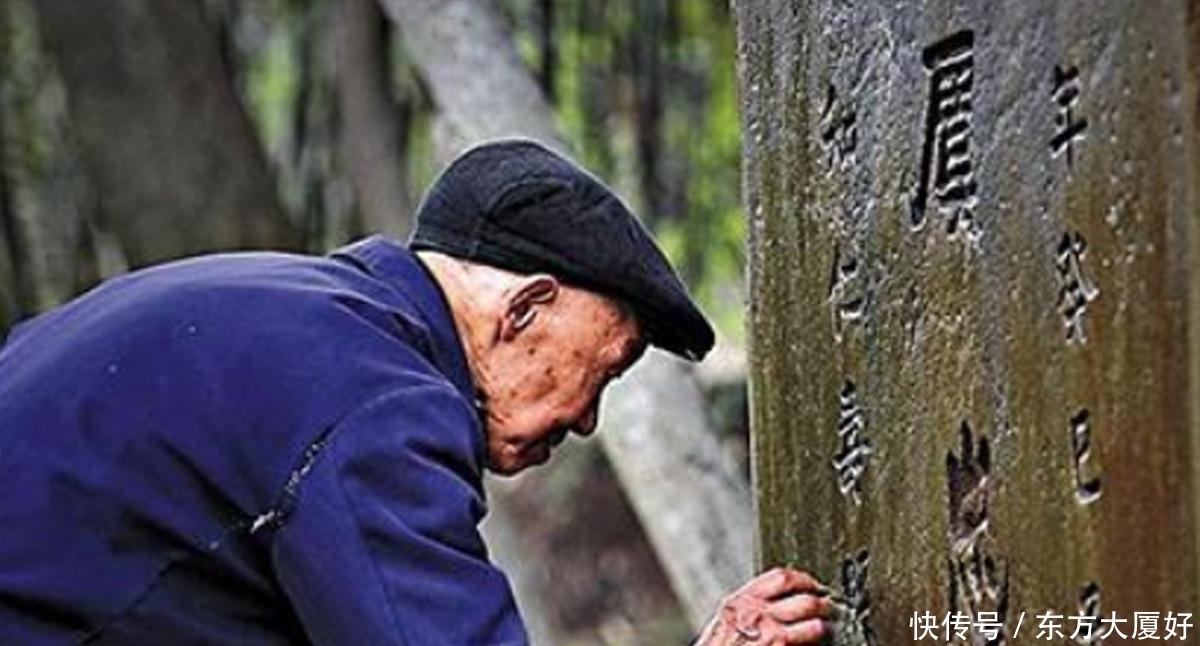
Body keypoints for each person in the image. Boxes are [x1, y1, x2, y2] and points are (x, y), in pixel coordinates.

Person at [0, 140, 831, 645]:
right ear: (525, 307)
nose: (585, 418)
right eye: (602, 370)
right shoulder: (374, 394)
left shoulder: (292, 314)